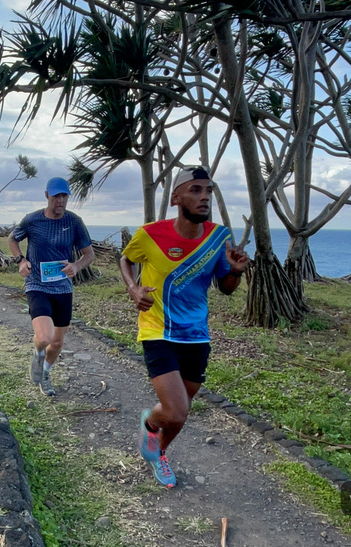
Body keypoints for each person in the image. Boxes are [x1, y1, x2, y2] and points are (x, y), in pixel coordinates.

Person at [119, 166, 249, 488]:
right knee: (175, 411)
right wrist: (133, 288)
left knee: (182, 412)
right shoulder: (150, 234)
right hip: (158, 331)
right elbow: (125, 259)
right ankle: (151, 423)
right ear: (176, 197)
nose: (204, 196)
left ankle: (159, 450)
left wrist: (235, 271)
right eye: (195, 190)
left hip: (196, 336)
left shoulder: (219, 238)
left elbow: (227, 287)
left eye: (208, 190)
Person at [8, 177, 95, 396]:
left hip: (63, 288)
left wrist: (76, 266)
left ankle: (45, 373)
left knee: (56, 343)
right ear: (47, 195)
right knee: (44, 338)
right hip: (37, 284)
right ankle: (37, 355)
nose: (60, 200)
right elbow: (12, 239)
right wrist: (21, 260)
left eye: (64, 196)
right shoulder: (32, 220)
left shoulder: (74, 222)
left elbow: (89, 254)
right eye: (56, 196)